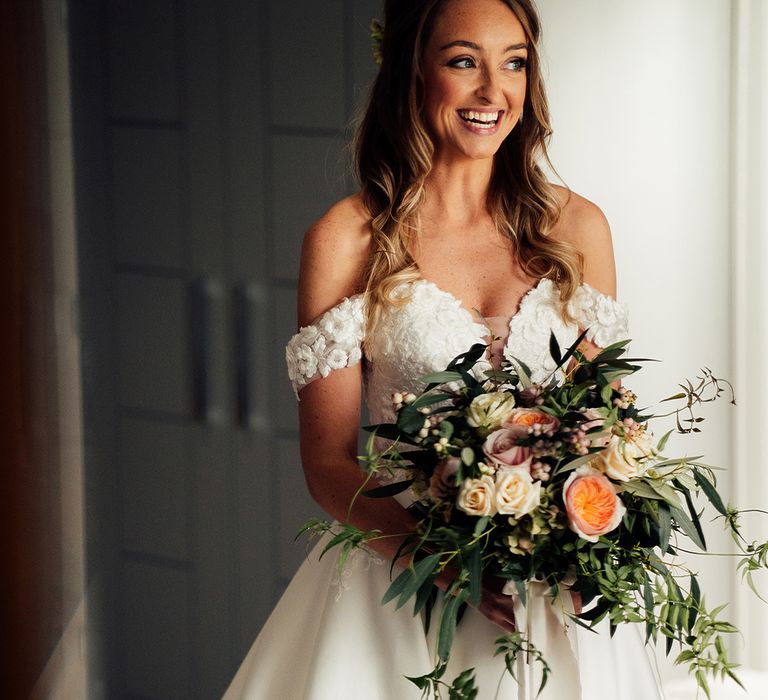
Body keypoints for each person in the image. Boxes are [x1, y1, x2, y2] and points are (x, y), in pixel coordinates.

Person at [224, 0, 665, 697]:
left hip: (553, 596)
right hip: (403, 586)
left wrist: (588, 535)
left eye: (514, 62)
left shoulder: (579, 227)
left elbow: (600, 423)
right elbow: (328, 462)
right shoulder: (346, 239)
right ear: (413, 72)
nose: (494, 91)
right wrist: (442, 559)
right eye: (464, 61)